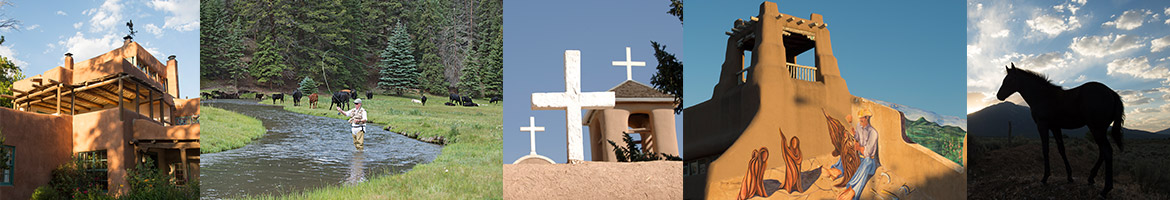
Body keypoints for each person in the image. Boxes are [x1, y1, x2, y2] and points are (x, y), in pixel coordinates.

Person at [839, 108, 879, 200]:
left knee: (867, 161)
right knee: (846, 151)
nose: (860, 119)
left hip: (870, 162)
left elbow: (868, 152)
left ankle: (853, 190)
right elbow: (857, 138)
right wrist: (854, 133)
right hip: (860, 158)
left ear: (867, 118)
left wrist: (859, 148)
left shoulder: (873, 132)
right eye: (860, 117)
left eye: (862, 118)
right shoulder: (858, 126)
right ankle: (838, 170)